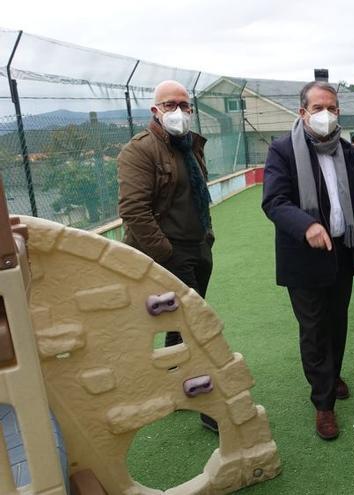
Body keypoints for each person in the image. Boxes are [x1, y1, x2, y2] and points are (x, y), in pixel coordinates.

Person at [262, 81, 354, 440]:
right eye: (318, 108)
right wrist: (307, 224)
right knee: (314, 329)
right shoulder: (282, 150)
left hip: (342, 251)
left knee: (337, 323)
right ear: (302, 112)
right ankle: (323, 404)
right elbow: (274, 202)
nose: (326, 114)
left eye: (332, 108)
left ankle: (331, 374)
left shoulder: (346, 150)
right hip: (304, 258)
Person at [117, 80, 218, 432]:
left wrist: (207, 237)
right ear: (155, 111)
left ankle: (175, 384)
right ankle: (207, 404)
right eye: (170, 104)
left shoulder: (191, 145)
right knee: (194, 324)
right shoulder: (140, 151)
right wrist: (167, 254)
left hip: (198, 245)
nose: (179, 111)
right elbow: (133, 210)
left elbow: (198, 194)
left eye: (184, 105)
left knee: (181, 323)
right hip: (169, 253)